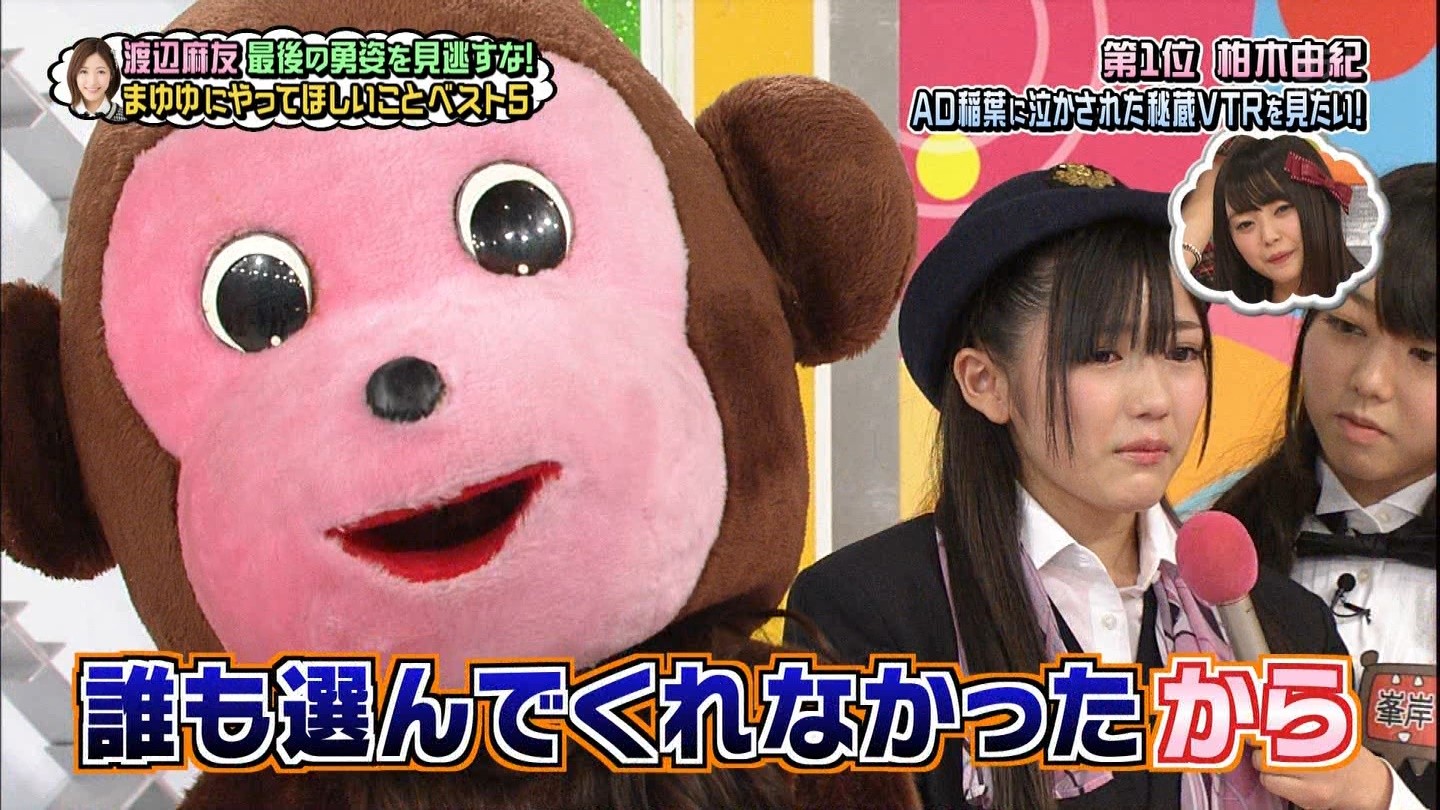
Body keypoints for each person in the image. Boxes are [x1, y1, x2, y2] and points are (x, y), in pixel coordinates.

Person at [787, 163, 1382, 810]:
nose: (1155, 400)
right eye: (1102, 354)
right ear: (985, 382)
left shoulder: (1286, 626)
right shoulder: (869, 616)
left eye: (1181, 353)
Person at [1215, 163, 1437, 809]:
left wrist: (1378, 798)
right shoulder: (1214, 552)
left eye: (1425, 354)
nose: (1370, 380)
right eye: (1346, 327)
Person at [1183, 135, 1361, 304]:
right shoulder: (1217, 309)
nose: (1269, 237)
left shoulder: (1370, 299)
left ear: (1319, 202)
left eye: (1282, 209)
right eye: (1245, 224)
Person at [66, 38, 125, 123]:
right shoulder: (61, 117)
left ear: (111, 75)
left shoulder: (128, 121)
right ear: (74, 74)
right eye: (84, 71)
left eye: (101, 72)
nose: (92, 82)